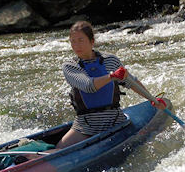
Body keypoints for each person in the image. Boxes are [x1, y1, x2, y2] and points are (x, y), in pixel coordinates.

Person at [56, 21, 166, 149]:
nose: (76, 45)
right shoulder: (70, 66)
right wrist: (112, 76)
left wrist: (152, 99)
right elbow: (88, 86)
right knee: (58, 149)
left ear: (92, 41)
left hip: (115, 121)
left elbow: (131, 82)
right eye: (73, 41)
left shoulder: (111, 60)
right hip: (86, 125)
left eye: (80, 40)